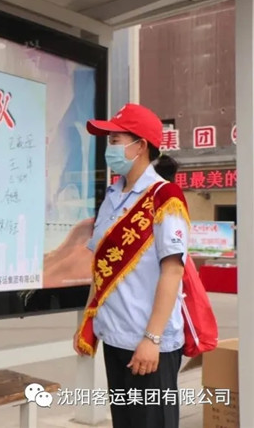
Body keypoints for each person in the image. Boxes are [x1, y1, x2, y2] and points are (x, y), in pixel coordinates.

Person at [74, 103, 189, 428]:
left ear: (140, 146)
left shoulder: (165, 197)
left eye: (115, 140)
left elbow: (173, 271)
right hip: (116, 338)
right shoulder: (112, 196)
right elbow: (101, 268)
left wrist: (152, 339)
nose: (109, 148)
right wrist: (89, 321)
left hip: (150, 343)